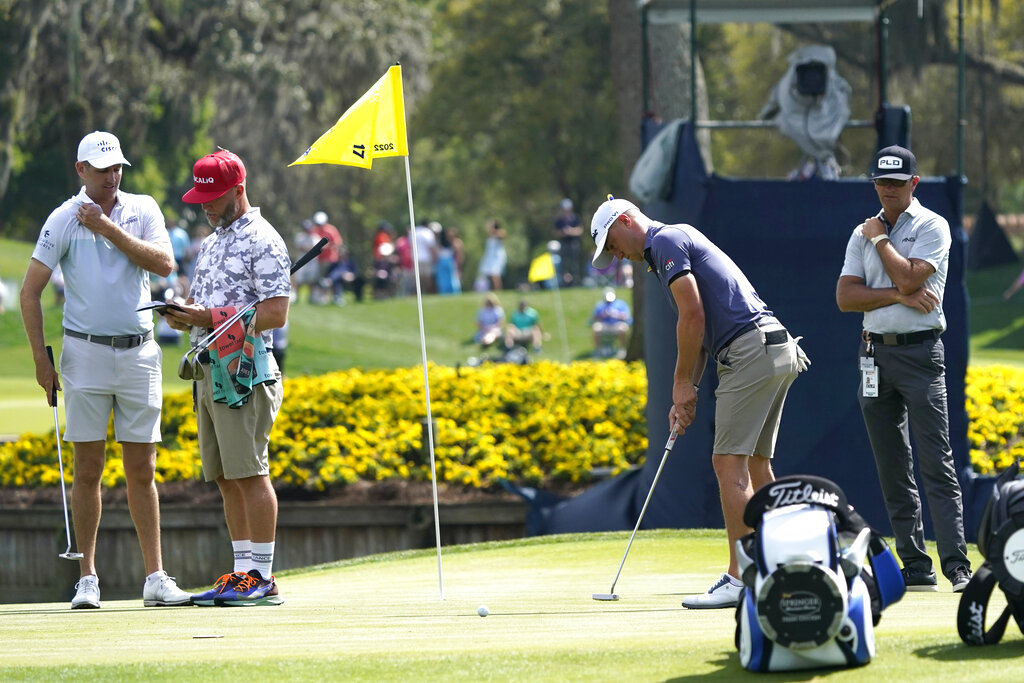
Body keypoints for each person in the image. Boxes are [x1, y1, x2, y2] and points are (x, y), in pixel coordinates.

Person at [589, 195, 809, 609]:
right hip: (772, 348)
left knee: (729, 463)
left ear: (625, 220)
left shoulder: (666, 241)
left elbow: (691, 316)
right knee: (757, 465)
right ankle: (787, 563)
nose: (616, 255)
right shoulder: (671, 244)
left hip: (749, 350)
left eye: (612, 244)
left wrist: (678, 383)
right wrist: (686, 390)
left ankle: (741, 577)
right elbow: (702, 329)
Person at [19, 130, 192, 610]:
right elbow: (29, 291)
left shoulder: (143, 209)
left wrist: (107, 228)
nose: (112, 175)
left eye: (117, 167)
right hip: (85, 353)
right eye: (102, 168)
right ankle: (88, 578)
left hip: (139, 352)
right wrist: (40, 359)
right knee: (88, 467)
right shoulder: (63, 219)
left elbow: (163, 264)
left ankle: (155, 576)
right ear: (81, 171)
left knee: (143, 467)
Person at [836, 145, 972, 593]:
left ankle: (956, 564)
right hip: (873, 353)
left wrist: (881, 242)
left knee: (936, 461)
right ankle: (915, 565)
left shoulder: (932, 225)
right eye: (881, 182)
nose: (888, 190)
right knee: (892, 464)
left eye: (897, 183)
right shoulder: (861, 231)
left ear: (914, 184)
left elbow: (913, 277)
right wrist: (895, 295)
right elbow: (846, 298)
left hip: (920, 355)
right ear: (873, 182)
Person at [165, 149, 290, 606]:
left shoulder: (264, 239)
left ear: (239, 189)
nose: (206, 205)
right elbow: (209, 306)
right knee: (224, 476)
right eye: (201, 197)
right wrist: (187, 317)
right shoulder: (214, 239)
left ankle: (265, 577)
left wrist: (208, 315)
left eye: (214, 197)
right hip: (209, 369)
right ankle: (242, 573)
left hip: (245, 372)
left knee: (250, 472)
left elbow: (275, 311)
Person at [591, 287, 632, 358]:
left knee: (623, 328)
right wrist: (603, 315)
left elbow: (627, 317)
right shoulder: (600, 305)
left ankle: (622, 350)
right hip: (605, 325)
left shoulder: (621, 304)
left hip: (617, 324)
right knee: (596, 328)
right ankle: (598, 350)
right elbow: (594, 318)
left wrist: (616, 314)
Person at [311, 211, 342, 304]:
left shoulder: (331, 230)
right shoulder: (314, 230)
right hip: (317, 259)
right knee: (319, 280)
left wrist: (325, 247)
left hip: (330, 259)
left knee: (331, 279)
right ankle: (321, 298)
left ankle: (335, 297)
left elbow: (337, 243)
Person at [555, 198, 583, 286]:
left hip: (574, 244)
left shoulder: (576, 218)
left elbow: (580, 230)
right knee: (564, 265)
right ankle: (564, 283)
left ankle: (576, 282)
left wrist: (570, 231)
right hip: (564, 244)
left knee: (574, 264)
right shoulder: (559, 220)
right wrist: (562, 233)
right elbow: (555, 232)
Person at [477, 218, 507, 291]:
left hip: (497, 258)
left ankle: (499, 290)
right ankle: (493, 290)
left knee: (495, 275)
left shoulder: (499, 233)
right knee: (490, 276)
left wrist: (493, 230)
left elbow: (502, 234)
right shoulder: (490, 237)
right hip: (490, 258)